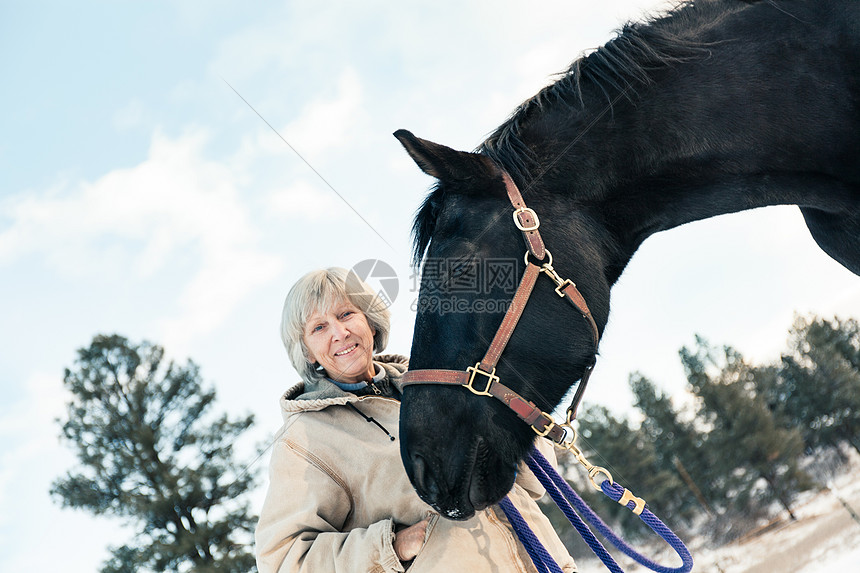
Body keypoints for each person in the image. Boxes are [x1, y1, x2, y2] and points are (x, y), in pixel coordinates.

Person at [255, 267, 577, 572]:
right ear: (308, 351)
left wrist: (520, 417)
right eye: (319, 327)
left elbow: (530, 486)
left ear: (370, 321)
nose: (340, 332)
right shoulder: (305, 439)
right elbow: (284, 560)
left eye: (346, 314)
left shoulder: (445, 384)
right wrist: (390, 546)